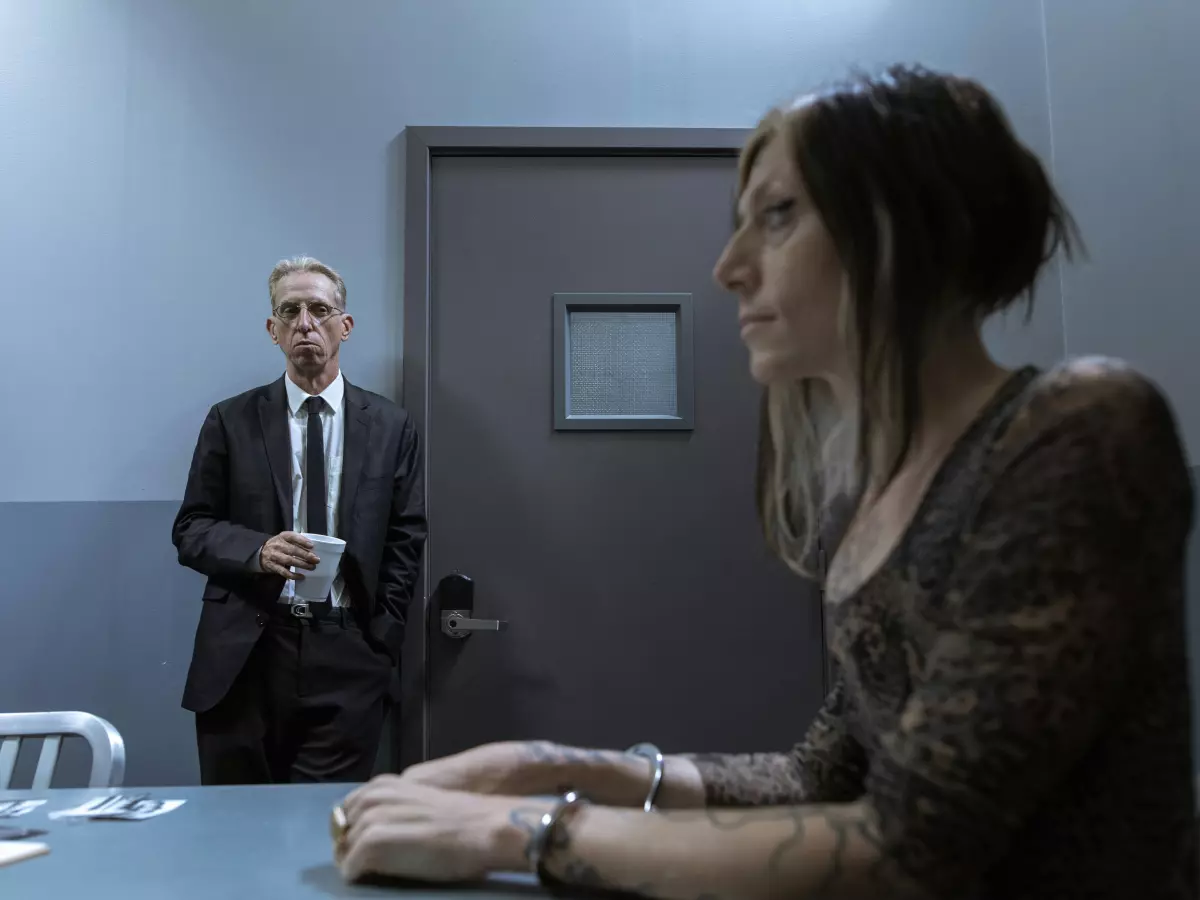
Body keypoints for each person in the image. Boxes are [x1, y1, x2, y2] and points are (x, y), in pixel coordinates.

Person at [332, 66, 1197, 899]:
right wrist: (559, 766)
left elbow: (913, 845)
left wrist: (522, 831)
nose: (730, 265)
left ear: (906, 226)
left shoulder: (1079, 428)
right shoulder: (872, 492)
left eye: (778, 216)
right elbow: (822, 778)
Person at [173, 256, 426, 785]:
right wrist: (257, 550)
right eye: (290, 311)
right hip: (247, 655)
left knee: (319, 828)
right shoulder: (231, 419)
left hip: (348, 653)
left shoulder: (389, 425)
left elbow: (405, 535)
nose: (304, 323)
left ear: (345, 325)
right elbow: (191, 527)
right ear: (273, 330)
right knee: (236, 830)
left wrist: (383, 637)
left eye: (319, 309)